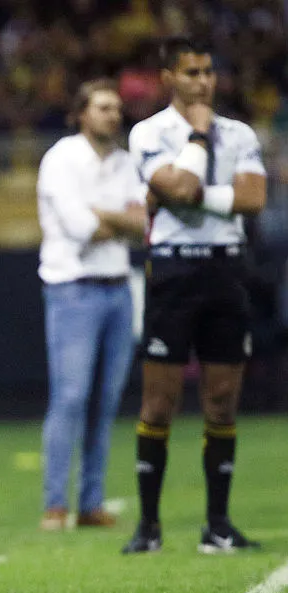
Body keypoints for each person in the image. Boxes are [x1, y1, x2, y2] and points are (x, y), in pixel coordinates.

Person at [123, 37, 267, 554]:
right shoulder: (148, 132)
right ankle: (149, 527)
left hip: (226, 269)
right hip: (174, 270)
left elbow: (253, 198)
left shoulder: (240, 133)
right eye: (191, 72)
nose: (203, 81)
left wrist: (192, 196)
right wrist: (199, 138)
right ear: (168, 78)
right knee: (159, 402)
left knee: (222, 401)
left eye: (208, 71)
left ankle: (218, 525)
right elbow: (178, 186)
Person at [36, 79, 147, 532]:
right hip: (73, 289)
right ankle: (55, 503)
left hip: (119, 288)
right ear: (80, 113)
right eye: (103, 107)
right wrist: (116, 220)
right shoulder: (61, 158)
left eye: (116, 107)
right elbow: (81, 227)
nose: (113, 114)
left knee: (106, 401)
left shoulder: (125, 162)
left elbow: (144, 226)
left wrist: (105, 215)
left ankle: (91, 502)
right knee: (71, 396)